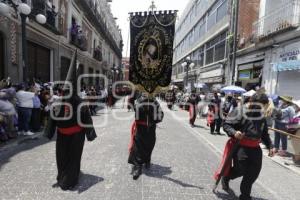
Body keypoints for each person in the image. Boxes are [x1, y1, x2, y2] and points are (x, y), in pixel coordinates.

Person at [44, 51, 97, 190]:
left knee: (69, 157)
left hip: (73, 135)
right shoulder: (64, 104)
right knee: (65, 157)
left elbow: (86, 120)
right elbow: (52, 119)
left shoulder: (77, 104)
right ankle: (65, 177)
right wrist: (90, 134)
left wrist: (89, 134)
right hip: (67, 135)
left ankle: (68, 179)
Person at [217, 93, 274, 200]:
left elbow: (264, 133)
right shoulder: (240, 111)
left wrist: (271, 146)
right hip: (241, 147)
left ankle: (245, 196)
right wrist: (234, 132)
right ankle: (226, 177)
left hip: (256, 149)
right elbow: (226, 124)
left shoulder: (261, 115)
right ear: (253, 102)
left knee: (253, 174)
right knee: (241, 170)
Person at [128, 94, 164, 180]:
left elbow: (160, 116)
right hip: (140, 129)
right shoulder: (139, 99)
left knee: (149, 145)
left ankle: (147, 160)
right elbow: (135, 111)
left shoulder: (155, 102)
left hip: (150, 129)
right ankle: (137, 166)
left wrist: (152, 111)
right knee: (138, 147)